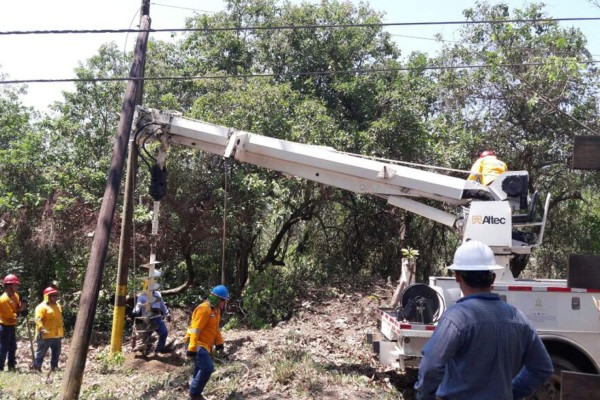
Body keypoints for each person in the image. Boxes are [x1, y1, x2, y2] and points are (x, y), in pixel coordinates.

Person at [414, 240, 553, 400]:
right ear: (493, 278)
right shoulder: (519, 319)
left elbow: (431, 366)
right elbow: (542, 367)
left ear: (457, 277)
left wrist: (425, 396)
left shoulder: (456, 318)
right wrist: (512, 392)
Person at [185, 285, 229, 400]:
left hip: (205, 345)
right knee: (208, 367)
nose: (224, 303)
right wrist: (192, 348)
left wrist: (219, 343)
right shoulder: (204, 309)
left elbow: (215, 329)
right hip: (196, 343)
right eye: (223, 300)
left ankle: (193, 394)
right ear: (217, 299)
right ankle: (194, 394)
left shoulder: (216, 310)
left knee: (200, 368)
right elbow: (195, 329)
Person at [133, 282, 170, 354]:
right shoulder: (142, 297)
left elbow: (162, 305)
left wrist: (167, 314)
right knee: (147, 339)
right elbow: (138, 306)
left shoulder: (157, 294)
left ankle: (158, 350)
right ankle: (146, 352)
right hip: (147, 320)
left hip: (157, 318)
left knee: (164, 333)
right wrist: (135, 311)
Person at [33, 287, 64, 372]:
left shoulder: (58, 306)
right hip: (45, 334)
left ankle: (54, 367)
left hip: (56, 334)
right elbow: (38, 319)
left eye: (56, 295)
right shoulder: (41, 307)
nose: (55, 297)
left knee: (56, 352)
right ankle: (37, 367)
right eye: (53, 295)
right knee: (41, 352)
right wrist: (41, 328)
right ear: (47, 296)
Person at [0, 274, 26, 372]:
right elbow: (11, 316)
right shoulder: (3, 299)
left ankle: (11, 366)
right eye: (15, 285)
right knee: (3, 348)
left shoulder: (15, 295)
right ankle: (0, 366)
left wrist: (23, 305)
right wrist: (20, 313)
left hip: (11, 326)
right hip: (4, 326)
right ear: (9, 286)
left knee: (12, 347)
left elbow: (17, 308)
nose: (16, 287)